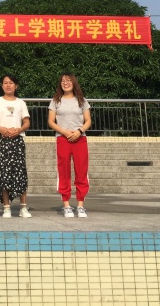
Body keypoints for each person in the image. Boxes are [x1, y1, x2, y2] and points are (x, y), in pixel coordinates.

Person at [48, 72, 92, 218]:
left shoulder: (82, 100)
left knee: (81, 170)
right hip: (62, 138)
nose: (65, 83)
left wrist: (79, 131)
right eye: (63, 81)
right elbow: (51, 121)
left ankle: (80, 206)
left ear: (73, 82)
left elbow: (88, 121)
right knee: (64, 171)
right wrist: (64, 132)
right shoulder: (56, 101)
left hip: (80, 138)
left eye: (68, 80)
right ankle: (66, 205)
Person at [0, 74, 31, 219]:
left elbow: (26, 122)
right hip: (2, 140)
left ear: (16, 86)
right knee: (3, 173)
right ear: (2, 85)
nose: (8, 85)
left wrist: (18, 130)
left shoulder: (21, 103)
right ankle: (6, 208)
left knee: (20, 172)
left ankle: (23, 207)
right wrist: (1, 129)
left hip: (17, 140)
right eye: (5, 82)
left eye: (11, 83)